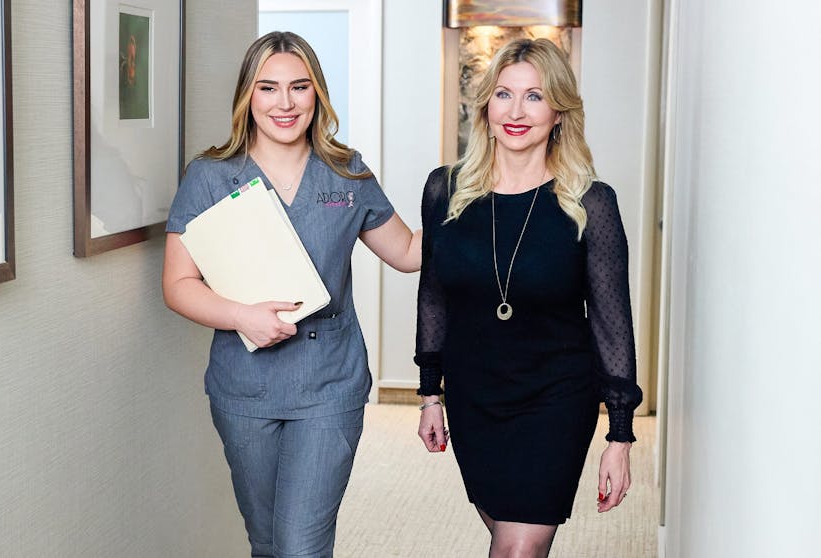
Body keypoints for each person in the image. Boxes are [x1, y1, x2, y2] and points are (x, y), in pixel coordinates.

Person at [163, 31, 421, 558]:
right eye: (268, 88)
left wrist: (477, 192)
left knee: (302, 547)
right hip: (244, 388)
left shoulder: (347, 172)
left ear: (318, 95)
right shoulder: (210, 177)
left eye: (299, 87)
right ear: (247, 97)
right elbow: (177, 285)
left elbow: (409, 252)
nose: (285, 103)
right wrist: (240, 315)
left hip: (329, 382)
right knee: (266, 543)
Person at [415, 38, 643, 557]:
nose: (516, 112)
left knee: (517, 548)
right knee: (505, 533)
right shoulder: (444, 191)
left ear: (559, 111)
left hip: (555, 397)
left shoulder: (590, 201)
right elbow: (434, 295)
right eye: (503, 95)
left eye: (535, 97)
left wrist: (621, 434)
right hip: (475, 394)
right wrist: (431, 393)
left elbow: (612, 323)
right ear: (486, 107)